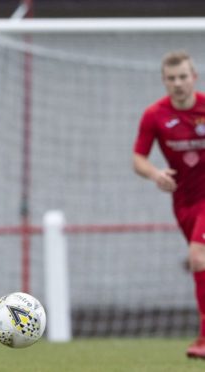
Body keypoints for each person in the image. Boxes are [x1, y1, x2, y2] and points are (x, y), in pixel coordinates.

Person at [132, 50, 205, 359]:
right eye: (171, 78)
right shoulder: (154, 115)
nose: (178, 83)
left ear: (194, 78)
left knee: (198, 257)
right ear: (164, 81)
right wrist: (155, 174)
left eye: (183, 77)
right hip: (184, 202)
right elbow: (138, 158)